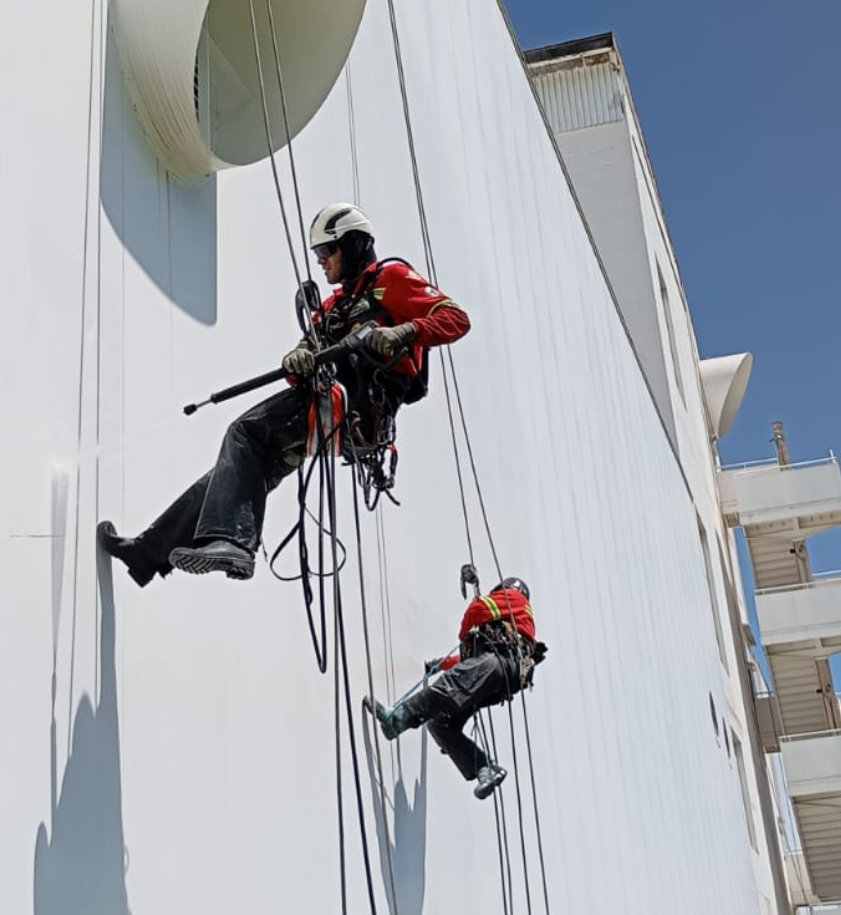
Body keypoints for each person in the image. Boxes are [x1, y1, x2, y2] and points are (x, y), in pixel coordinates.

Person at [98, 203, 471, 585]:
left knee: (244, 434)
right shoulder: (331, 308)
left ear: (355, 245)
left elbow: (456, 319)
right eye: (318, 255)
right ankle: (149, 552)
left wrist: (401, 332)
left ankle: (233, 543)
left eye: (328, 252)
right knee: (237, 471)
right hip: (330, 407)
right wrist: (298, 357)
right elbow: (307, 355)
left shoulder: (390, 279)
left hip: (358, 406)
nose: (322, 262)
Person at [374, 578, 546, 800]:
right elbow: (469, 662)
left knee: (450, 685)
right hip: (498, 677)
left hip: (498, 665)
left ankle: (397, 719)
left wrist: (465, 635)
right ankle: (485, 769)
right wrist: (440, 664)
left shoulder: (515, 598)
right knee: (441, 724)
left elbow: (478, 610)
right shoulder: (513, 625)